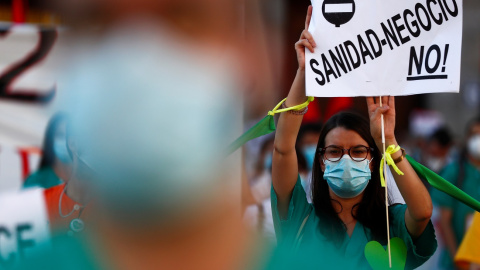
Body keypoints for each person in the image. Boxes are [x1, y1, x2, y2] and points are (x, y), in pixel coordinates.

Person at [270, 6, 437, 269]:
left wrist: (389, 144)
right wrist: (304, 73)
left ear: (373, 160)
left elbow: (423, 213)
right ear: (321, 160)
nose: (346, 159)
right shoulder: (299, 218)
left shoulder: (391, 222)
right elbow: (283, 149)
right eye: (334, 151)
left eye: (358, 151)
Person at [431, 115, 480, 269]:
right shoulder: (453, 172)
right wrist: (458, 260)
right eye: (474, 134)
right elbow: (444, 222)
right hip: (456, 262)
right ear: (467, 138)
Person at [23, 113, 72, 189]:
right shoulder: (35, 181)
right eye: (60, 135)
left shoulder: (87, 182)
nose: (65, 141)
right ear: (50, 139)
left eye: (69, 135)